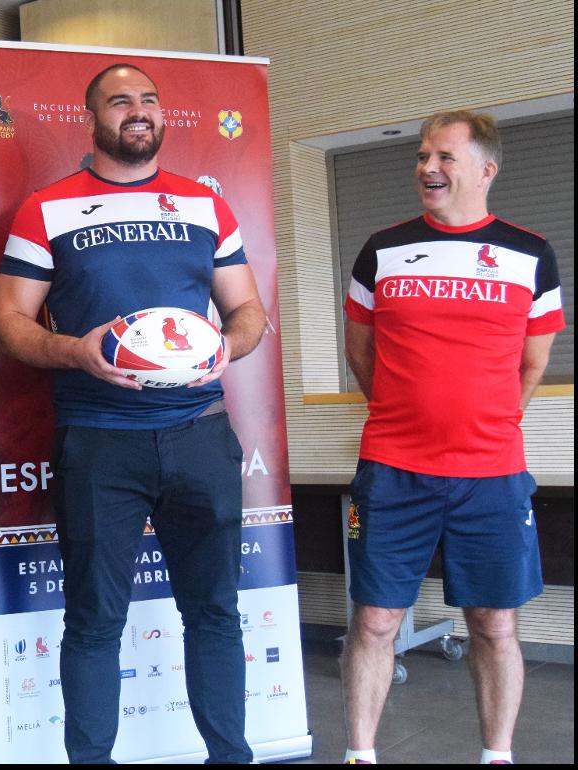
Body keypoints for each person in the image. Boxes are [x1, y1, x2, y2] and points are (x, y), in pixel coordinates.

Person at [0, 63, 266, 764]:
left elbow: (248, 312)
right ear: (94, 119)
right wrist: (72, 350)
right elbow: (10, 323)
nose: (137, 111)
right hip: (99, 443)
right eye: (120, 101)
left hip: (200, 435)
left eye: (148, 100)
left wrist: (223, 350)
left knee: (214, 613)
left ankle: (230, 756)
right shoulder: (45, 209)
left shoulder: (205, 206)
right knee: (93, 621)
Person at [341, 110, 563, 765]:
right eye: (421, 156)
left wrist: (486, 422)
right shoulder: (381, 250)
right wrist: (408, 413)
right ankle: (360, 753)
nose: (427, 168)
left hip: (492, 474)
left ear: (486, 170)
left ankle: (497, 755)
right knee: (375, 620)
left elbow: (534, 362)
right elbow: (361, 352)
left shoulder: (531, 254)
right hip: (393, 467)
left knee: (495, 624)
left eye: (444, 157)